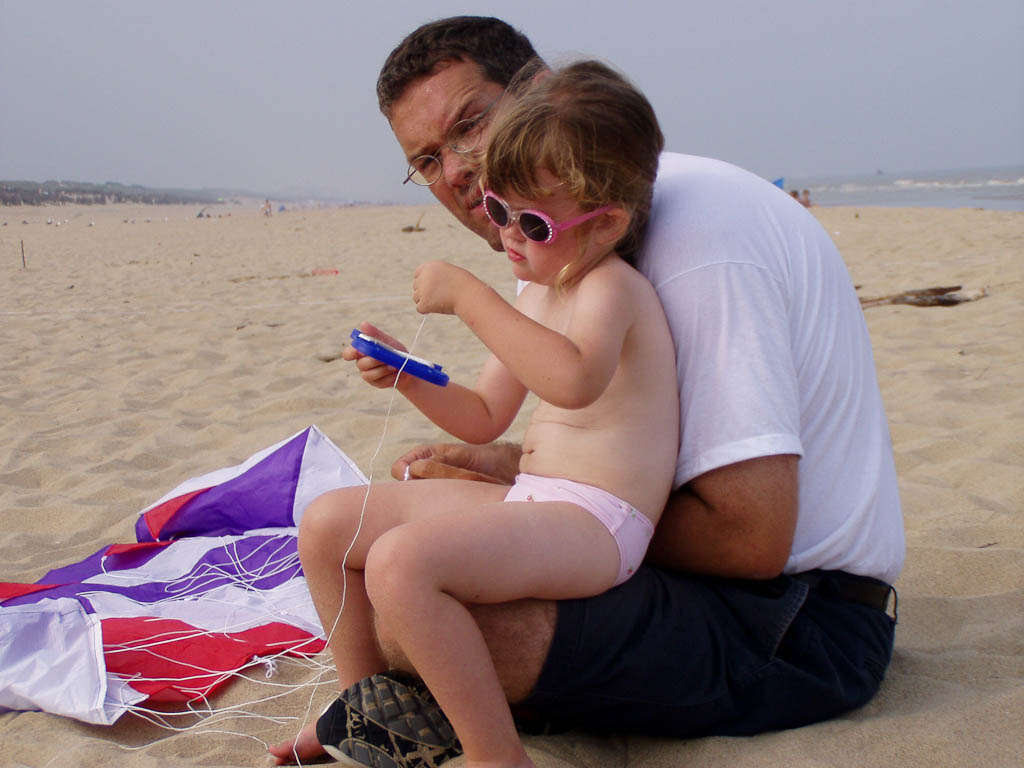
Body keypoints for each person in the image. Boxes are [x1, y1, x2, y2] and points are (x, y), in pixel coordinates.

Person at [271, 16, 904, 766]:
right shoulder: (549, 240)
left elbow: (751, 538)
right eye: (428, 160)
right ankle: (368, 716)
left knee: (412, 600)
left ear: (545, 93)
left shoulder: (689, 241)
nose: (462, 171)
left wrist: (514, 483)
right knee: (343, 542)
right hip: (622, 533)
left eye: (471, 124)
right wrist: (485, 450)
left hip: (798, 617)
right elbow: (506, 413)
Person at [296, 61, 676, 768]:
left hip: (598, 522)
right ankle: (365, 715)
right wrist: (405, 374)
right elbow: (479, 416)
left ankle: (497, 755)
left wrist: (471, 297)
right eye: (500, 212)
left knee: (401, 565)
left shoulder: (611, 289)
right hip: (538, 502)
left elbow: (572, 382)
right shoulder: (538, 288)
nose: (508, 237)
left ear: (608, 224)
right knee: (328, 527)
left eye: (532, 222)